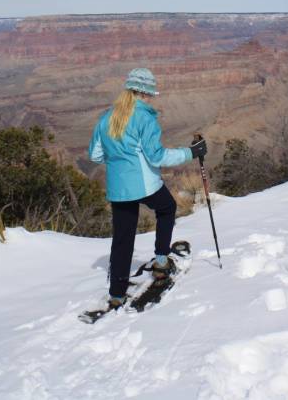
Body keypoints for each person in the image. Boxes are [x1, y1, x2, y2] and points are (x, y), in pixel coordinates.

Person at [88, 67, 207, 309]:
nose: (152, 97)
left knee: (123, 239)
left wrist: (120, 163)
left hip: (118, 187)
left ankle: (117, 294)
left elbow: (95, 154)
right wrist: (191, 152)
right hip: (144, 184)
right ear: (145, 93)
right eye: (151, 93)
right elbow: (157, 157)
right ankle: (161, 260)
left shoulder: (107, 118)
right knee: (167, 208)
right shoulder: (145, 119)